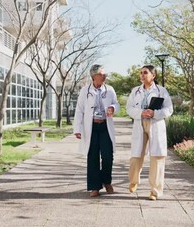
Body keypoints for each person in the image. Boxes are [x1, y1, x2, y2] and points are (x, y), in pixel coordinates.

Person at [126, 65, 173, 200]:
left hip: (155, 124)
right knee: (136, 156)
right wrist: (141, 112)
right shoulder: (135, 91)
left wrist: (154, 113)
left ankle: (155, 191)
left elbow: (169, 109)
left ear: (153, 75)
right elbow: (129, 108)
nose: (142, 75)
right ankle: (134, 182)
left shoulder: (161, 91)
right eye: (141, 73)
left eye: (145, 73)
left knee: (157, 158)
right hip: (140, 124)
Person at [73, 64, 120, 197]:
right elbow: (79, 110)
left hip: (105, 126)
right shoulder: (84, 91)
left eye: (105, 74)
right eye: (101, 74)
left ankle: (106, 181)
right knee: (92, 156)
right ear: (94, 77)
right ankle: (94, 186)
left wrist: (112, 107)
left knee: (107, 155)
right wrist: (77, 128)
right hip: (91, 127)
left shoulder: (110, 90)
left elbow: (116, 104)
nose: (104, 76)